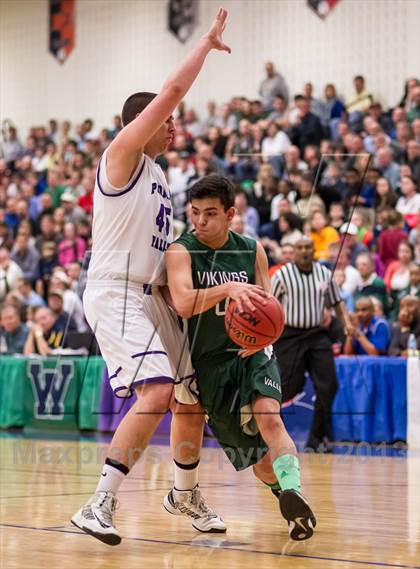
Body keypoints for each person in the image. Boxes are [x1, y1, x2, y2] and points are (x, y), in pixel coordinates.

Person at [71, 9, 231, 546]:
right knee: (158, 389)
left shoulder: (160, 175)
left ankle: (183, 492)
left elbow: (167, 260)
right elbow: (172, 89)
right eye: (167, 120)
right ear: (143, 122)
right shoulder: (121, 155)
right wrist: (204, 46)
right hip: (116, 290)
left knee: (192, 396)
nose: (175, 125)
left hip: (152, 295)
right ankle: (100, 503)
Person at [166, 175, 316, 541]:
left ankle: (295, 490)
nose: (200, 221)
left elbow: (270, 307)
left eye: (211, 214)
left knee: (270, 418)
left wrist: (268, 335)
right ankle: (284, 495)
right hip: (211, 364)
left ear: (230, 214)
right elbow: (184, 303)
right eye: (196, 212)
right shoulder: (181, 251)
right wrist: (227, 289)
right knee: (259, 461)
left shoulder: (252, 250)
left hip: (252, 353)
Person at [271, 238, 352, 451]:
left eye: (308, 247)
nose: (305, 251)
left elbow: (337, 302)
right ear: (294, 251)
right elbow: (269, 305)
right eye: (300, 247)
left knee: (329, 385)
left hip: (317, 335)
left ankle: (316, 440)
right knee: (288, 388)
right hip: (289, 336)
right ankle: (272, 434)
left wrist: (348, 324)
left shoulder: (325, 274)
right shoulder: (282, 275)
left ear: (314, 250)